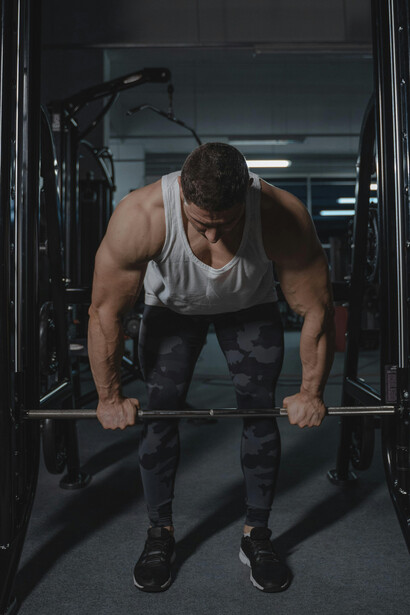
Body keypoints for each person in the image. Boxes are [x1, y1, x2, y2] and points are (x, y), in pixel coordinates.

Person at [87, 143, 335, 594]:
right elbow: (104, 312)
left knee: (259, 413)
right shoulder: (141, 214)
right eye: (204, 224)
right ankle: (159, 533)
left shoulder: (281, 215)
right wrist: (108, 397)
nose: (216, 237)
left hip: (249, 307)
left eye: (228, 223)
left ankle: (256, 535)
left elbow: (316, 309)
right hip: (170, 308)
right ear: (182, 190)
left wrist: (311, 392)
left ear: (248, 197)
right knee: (160, 414)